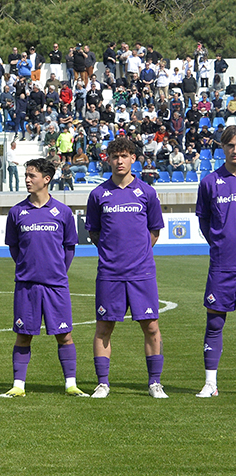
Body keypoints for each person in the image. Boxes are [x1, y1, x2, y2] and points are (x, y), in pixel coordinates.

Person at [85, 136, 166, 399]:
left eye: (124, 156)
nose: (119, 160)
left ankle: (155, 382)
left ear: (133, 159)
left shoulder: (147, 192)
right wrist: (113, 255)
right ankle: (103, 383)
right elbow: (95, 233)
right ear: (108, 159)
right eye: (115, 156)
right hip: (110, 273)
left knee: (151, 326)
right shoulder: (98, 194)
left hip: (141, 272)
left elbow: (154, 232)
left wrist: (138, 254)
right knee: (104, 327)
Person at [1, 158, 86, 398]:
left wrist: (57, 270)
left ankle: (70, 384)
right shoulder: (17, 212)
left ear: (46, 179)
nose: (27, 180)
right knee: (23, 334)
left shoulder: (63, 212)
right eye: (26, 175)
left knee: (64, 334)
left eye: (32, 175)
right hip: (26, 285)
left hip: (56, 285)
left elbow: (69, 247)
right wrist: (27, 268)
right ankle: (19, 385)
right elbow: (14, 248)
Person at [195, 125, 236, 398]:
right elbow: (204, 220)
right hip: (223, 265)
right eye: (230, 145)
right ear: (223, 148)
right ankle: (210, 383)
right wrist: (220, 245)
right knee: (214, 323)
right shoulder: (210, 182)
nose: (235, 150)